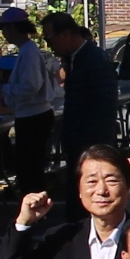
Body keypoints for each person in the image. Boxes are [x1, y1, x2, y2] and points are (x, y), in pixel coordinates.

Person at [1, 143, 130, 259]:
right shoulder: (63, 239)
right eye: (91, 181)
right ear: (80, 191)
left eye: (111, 180)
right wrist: (23, 223)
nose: (101, 190)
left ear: (129, 186)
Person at [0, 7, 62, 193]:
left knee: (30, 169)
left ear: (12, 29)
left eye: (5, 29)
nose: (4, 34)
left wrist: (7, 90)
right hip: (33, 114)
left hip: (33, 115)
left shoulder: (28, 52)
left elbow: (31, 85)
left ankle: (35, 210)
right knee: (31, 168)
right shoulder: (28, 50)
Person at [49, 13, 119, 158]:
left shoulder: (94, 59)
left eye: (49, 39)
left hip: (92, 142)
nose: (49, 45)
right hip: (77, 140)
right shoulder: (72, 58)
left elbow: (104, 105)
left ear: (65, 34)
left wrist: (100, 145)